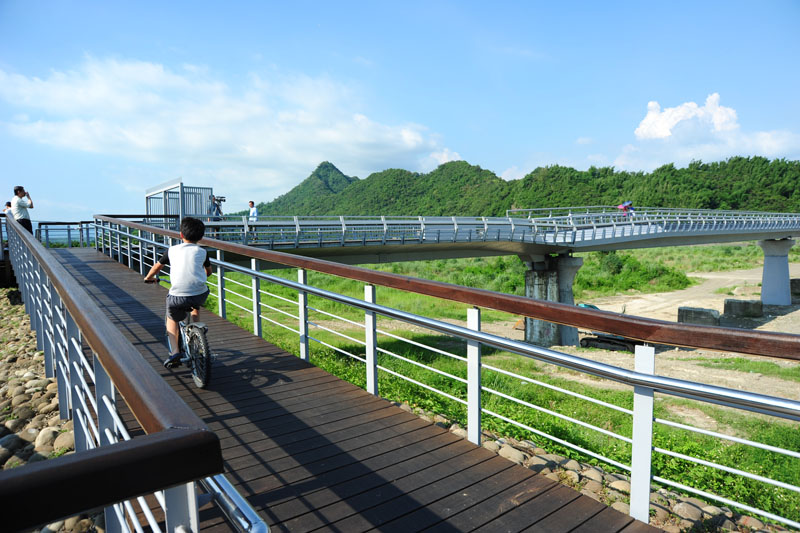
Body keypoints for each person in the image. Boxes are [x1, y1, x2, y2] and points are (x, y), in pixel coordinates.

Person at [144, 217, 212, 368]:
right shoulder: (202, 252)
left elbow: (157, 267)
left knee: (171, 318)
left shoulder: (172, 250)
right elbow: (209, 272)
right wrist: (200, 277)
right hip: (200, 293)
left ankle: (175, 351)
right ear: (201, 237)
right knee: (195, 301)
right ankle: (197, 327)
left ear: (181, 234)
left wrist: (148, 277)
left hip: (177, 296)